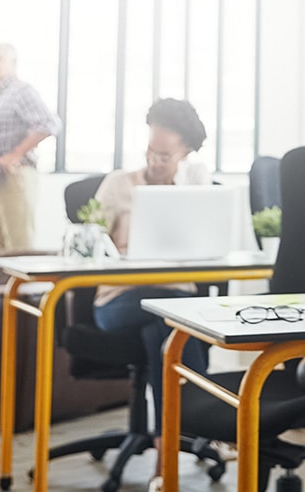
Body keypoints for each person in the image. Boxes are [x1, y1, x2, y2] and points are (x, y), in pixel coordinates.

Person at [90, 97, 212, 421]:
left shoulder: (196, 187)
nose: (154, 161)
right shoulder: (118, 184)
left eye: (165, 155)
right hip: (118, 298)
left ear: (185, 153)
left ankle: (165, 440)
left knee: (160, 326)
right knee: (168, 317)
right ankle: (207, 420)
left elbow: (212, 244)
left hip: (176, 296)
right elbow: (86, 244)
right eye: (150, 151)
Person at [0, 43, 62, 254]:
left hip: (15, 179)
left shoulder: (21, 92)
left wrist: (15, 155)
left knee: (19, 252)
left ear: (13, 63)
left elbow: (50, 124)